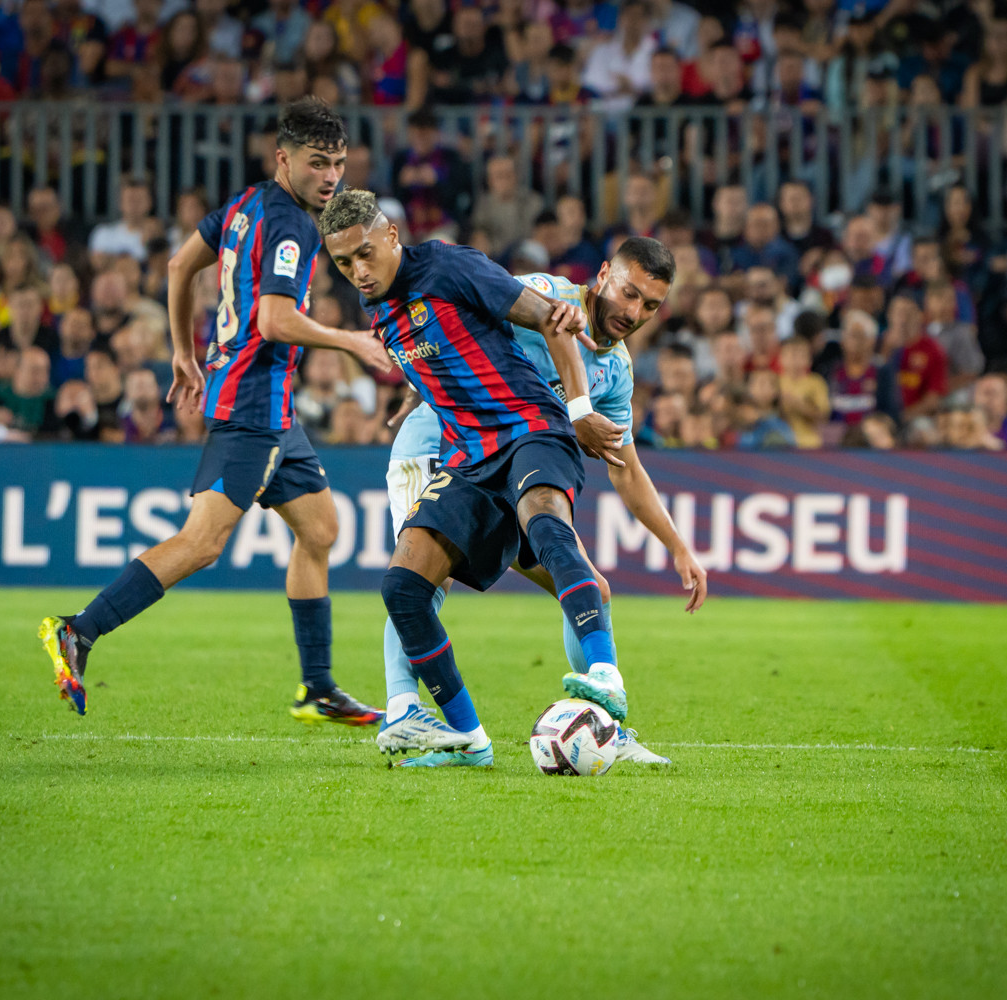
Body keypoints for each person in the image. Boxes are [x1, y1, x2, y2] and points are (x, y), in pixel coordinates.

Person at [37, 99, 392, 726]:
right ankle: (78, 631)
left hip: (273, 411)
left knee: (321, 530)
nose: (331, 177)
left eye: (338, 163)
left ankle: (317, 688)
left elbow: (179, 265)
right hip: (255, 405)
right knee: (201, 544)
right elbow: (274, 319)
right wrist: (352, 341)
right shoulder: (292, 225)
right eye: (317, 164)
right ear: (284, 160)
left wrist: (183, 352)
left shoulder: (245, 203)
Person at [318, 187, 631, 769]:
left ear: (391, 236)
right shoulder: (379, 306)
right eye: (342, 263)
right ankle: (469, 739)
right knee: (403, 588)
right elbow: (449, 348)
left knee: (545, 523)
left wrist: (582, 408)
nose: (358, 272)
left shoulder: (449, 265)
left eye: (365, 253)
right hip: (468, 459)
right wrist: (418, 390)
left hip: (533, 426)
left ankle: (605, 675)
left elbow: (553, 321)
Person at [374, 238, 703, 767]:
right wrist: (420, 384)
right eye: (629, 292)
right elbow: (456, 311)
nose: (634, 312)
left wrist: (677, 545)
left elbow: (628, 468)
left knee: (591, 587)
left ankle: (606, 726)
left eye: (650, 306)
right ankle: (405, 708)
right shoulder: (543, 296)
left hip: (513, 461)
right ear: (602, 276)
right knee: (422, 580)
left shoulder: (614, 370)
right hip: (435, 448)